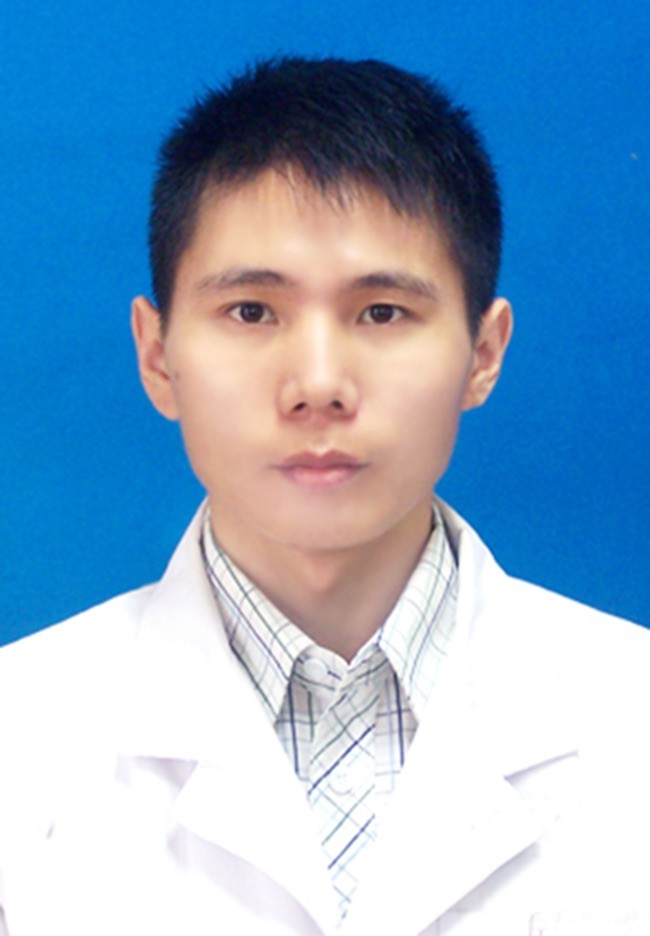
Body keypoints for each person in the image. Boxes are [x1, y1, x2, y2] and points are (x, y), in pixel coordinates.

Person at [0, 57, 648, 936]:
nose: (316, 385)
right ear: (157, 356)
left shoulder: (633, 716)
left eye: (382, 312)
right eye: (251, 312)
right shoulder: (18, 740)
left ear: (484, 353)